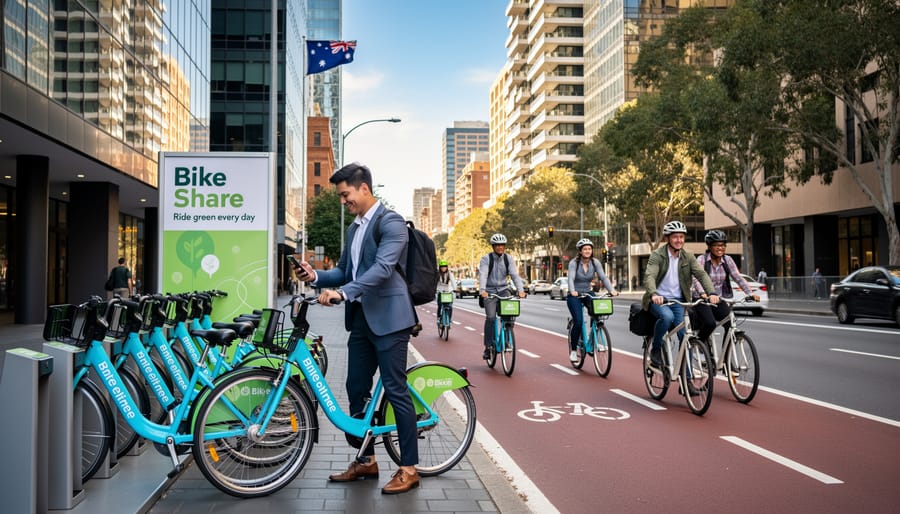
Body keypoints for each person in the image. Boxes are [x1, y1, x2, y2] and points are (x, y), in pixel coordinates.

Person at [290, 162, 419, 495]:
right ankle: (366, 461)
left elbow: (383, 268)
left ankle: (409, 468)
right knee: (355, 387)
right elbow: (346, 270)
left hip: (390, 319)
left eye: (345, 194)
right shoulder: (354, 229)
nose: (343, 201)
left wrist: (345, 293)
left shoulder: (390, 223)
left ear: (364, 188)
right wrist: (316, 277)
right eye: (340, 196)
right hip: (362, 319)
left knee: (395, 389)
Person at [641, 221, 719, 370]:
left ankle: (688, 381)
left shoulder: (688, 256)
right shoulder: (657, 255)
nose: (679, 240)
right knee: (667, 317)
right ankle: (656, 349)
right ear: (668, 238)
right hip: (658, 299)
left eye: (682, 237)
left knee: (686, 338)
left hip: (679, 301)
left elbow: (701, 274)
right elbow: (650, 276)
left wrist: (711, 292)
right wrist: (654, 293)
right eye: (675, 237)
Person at [691, 230, 759, 343]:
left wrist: (750, 293)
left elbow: (738, 277)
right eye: (716, 245)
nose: (720, 248)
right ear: (709, 246)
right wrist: (703, 293)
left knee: (730, 323)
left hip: (718, 299)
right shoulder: (702, 260)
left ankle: (726, 358)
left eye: (722, 245)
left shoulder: (727, 260)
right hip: (701, 299)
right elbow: (697, 278)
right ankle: (700, 346)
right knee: (710, 323)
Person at [566, 238, 618, 361]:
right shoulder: (574, 263)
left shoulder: (595, 262)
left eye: (589, 249)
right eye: (585, 249)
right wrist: (572, 291)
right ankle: (574, 350)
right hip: (575, 294)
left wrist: (611, 290)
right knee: (578, 321)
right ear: (580, 251)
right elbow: (570, 278)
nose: (587, 251)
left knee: (598, 313)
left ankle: (593, 336)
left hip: (588, 292)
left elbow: (603, 277)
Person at [478, 233, 527, 359]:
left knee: (509, 315)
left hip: (504, 290)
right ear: (493, 246)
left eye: (502, 245)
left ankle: (506, 336)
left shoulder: (508, 259)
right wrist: (482, 290)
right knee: (491, 318)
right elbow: (483, 275)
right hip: (489, 291)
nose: (500, 247)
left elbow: (515, 275)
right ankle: (488, 347)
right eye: (497, 245)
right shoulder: (486, 259)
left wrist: (521, 290)